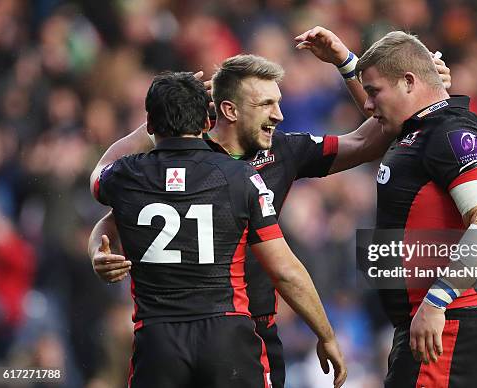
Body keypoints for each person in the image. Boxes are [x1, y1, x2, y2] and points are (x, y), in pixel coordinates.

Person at [88, 27, 451, 388]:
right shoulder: (184, 158)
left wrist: (348, 64)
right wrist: (167, 110)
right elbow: (110, 216)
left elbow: (370, 139)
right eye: (265, 104)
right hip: (215, 326)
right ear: (228, 110)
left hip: (252, 329)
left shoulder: (283, 151)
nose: (278, 115)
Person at [90, 71, 346, 388]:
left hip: (158, 340)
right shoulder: (239, 176)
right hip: (227, 338)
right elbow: (284, 270)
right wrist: (326, 334)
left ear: (152, 126)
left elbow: (99, 174)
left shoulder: (127, 176)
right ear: (206, 124)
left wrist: (155, 117)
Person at [355, 31, 477, 387]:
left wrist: (436, 300)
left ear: (409, 82)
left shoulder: (453, 131)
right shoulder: (416, 130)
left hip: (448, 322)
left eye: (374, 92)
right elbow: (367, 131)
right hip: (431, 322)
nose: (367, 105)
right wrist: (347, 63)